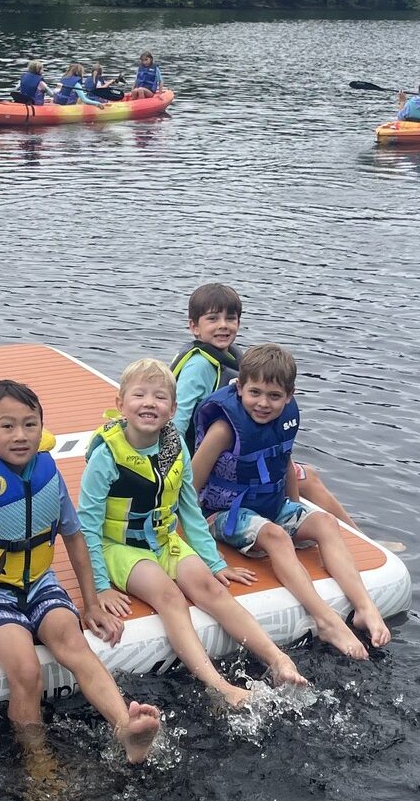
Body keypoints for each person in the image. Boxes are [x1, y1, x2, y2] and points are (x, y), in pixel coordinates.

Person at [0, 379, 161, 772]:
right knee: (26, 670)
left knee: (75, 643)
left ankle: (126, 727)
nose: (20, 435)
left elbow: (73, 537)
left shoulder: (48, 472)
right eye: (7, 426)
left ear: (42, 428)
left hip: (40, 584)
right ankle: (38, 763)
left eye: (30, 424)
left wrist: (91, 603)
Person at [78, 360, 308, 704]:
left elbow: (189, 509)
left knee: (212, 588)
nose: (149, 403)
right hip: (120, 546)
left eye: (160, 397)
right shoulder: (106, 456)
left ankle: (278, 660)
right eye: (139, 395)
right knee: (169, 596)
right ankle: (219, 685)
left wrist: (215, 563)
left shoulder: (175, 446)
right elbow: (87, 526)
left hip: (165, 541)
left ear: (173, 409)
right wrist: (99, 587)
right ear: (120, 403)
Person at [189, 345, 392, 661]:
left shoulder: (284, 419)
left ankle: (365, 607)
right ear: (239, 388)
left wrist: (297, 509)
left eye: (274, 396)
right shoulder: (224, 430)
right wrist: (203, 548)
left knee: (324, 522)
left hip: (269, 505)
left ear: (289, 396)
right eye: (255, 393)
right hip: (224, 513)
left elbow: (283, 460)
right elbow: (190, 487)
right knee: (277, 537)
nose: (263, 403)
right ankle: (326, 621)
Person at [170, 282, 363, 531]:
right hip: (205, 462)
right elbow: (178, 420)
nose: (223, 325)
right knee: (307, 479)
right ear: (194, 326)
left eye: (231, 318)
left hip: (238, 455)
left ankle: (356, 535)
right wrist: (174, 471)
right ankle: (354, 534)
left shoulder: (231, 357)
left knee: (307, 475)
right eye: (213, 319)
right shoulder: (199, 367)